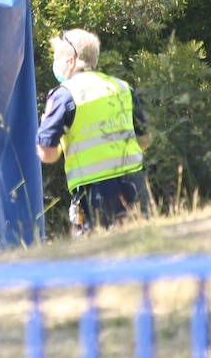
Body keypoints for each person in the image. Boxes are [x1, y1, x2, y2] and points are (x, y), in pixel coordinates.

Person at [35, 28, 152, 237]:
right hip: (133, 183)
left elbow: (47, 154)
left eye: (57, 58)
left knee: (97, 256)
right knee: (141, 247)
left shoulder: (64, 96)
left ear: (70, 61)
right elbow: (145, 140)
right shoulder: (122, 87)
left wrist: (49, 130)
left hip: (94, 193)